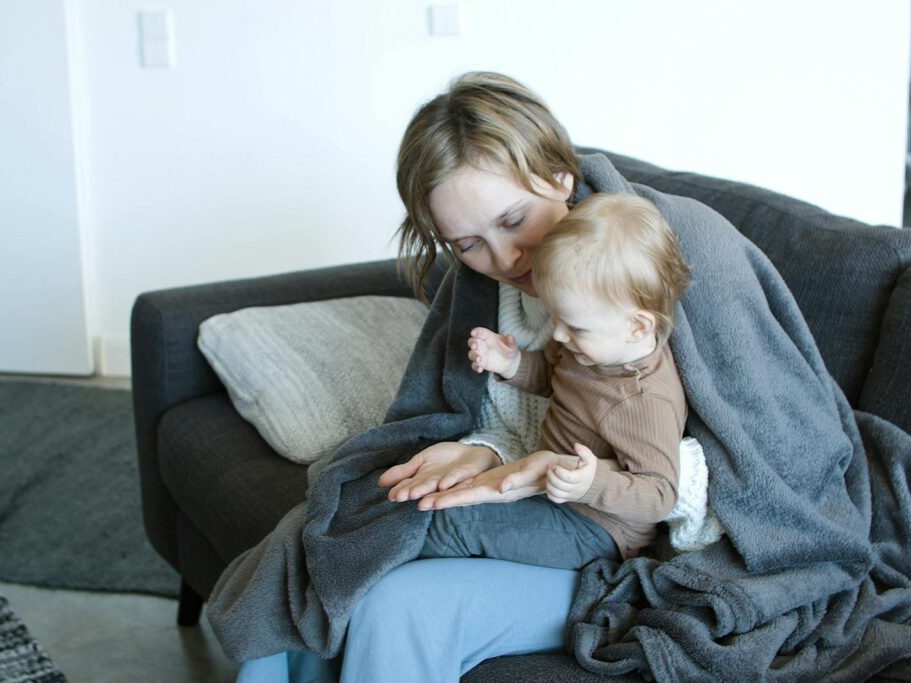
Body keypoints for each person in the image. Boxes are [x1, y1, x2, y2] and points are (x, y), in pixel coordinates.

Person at [235, 71, 714, 683]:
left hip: (594, 526)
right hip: (530, 492)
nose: (504, 260)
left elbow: (721, 456)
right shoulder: (484, 292)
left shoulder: (638, 263)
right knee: (325, 540)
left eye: (514, 221)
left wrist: (576, 475)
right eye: (468, 243)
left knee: (388, 587)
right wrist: (482, 445)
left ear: (560, 174)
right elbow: (515, 394)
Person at [418, 193, 691, 569]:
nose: (558, 335)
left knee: (453, 523)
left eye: (574, 326)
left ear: (638, 326)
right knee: (440, 504)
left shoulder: (643, 400)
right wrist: (511, 363)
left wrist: (591, 483)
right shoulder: (589, 346)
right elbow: (551, 377)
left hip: (598, 527)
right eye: (555, 317)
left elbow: (660, 494)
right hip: (548, 493)